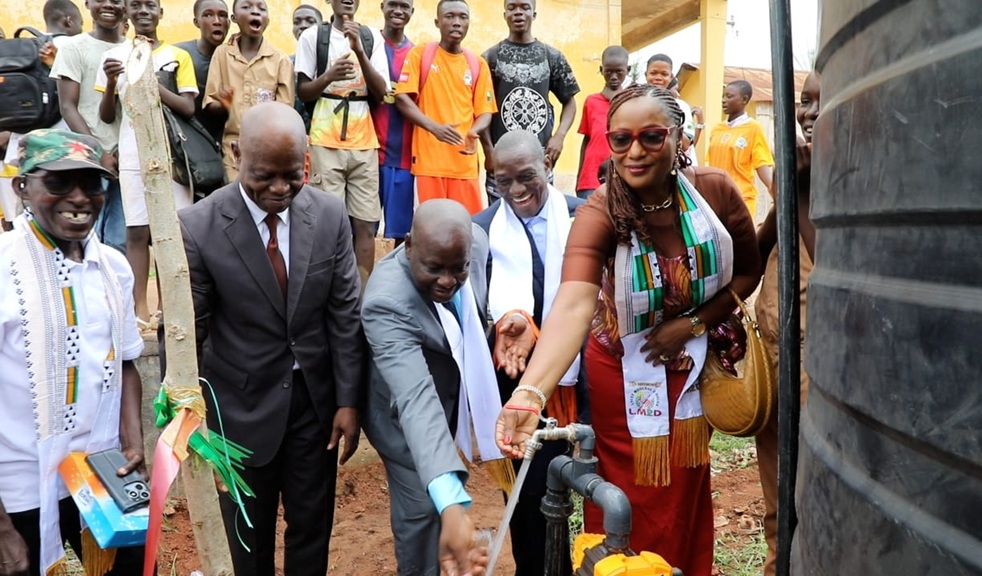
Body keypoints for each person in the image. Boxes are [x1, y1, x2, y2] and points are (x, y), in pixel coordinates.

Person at [495, 85, 762, 576]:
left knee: (683, 484)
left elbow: (748, 271)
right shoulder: (599, 213)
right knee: (622, 493)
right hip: (620, 374)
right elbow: (574, 305)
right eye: (620, 140)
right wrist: (530, 395)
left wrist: (691, 324)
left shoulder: (714, 192)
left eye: (651, 137)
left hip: (689, 366)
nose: (634, 152)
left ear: (679, 137)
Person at [179, 102, 363, 576]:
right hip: (236, 411)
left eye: (292, 175)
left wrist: (348, 402)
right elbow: (189, 329)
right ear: (237, 154)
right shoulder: (199, 227)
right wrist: (188, 412)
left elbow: (344, 315)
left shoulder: (327, 215)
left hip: (314, 409)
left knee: (311, 527)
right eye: (265, 176)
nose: (280, 189)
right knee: (246, 538)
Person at [0, 129, 145, 576]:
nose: (79, 198)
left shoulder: (113, 267)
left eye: (92, 183)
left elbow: (126, 362)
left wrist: (133, 439)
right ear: (22, 186)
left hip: (102, 477)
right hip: (22, 490)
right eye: (60, 183)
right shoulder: (4, 269)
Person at [362, 199, 506, 576]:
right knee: (423, 517)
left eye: (457, 269)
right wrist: (453, 507)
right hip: (401, 418)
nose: (447, 280)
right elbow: (415, 399)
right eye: (434, 269)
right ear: (408, 246)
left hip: (450, 395)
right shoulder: (386, 302)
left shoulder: (472, 240)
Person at [472, 130, 585, 576]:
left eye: (527, 176)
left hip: (584, 378)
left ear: (548, 167)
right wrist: (502, 324)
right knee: (529, 497)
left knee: (593, 486)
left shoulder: (582, 218)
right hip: (516, 383)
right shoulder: (480, 231)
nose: (516, 190)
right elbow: (471, 310)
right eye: (503, 181)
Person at [96, 0, 199, 334]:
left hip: (172, 154)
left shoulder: (177, 56)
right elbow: (108, 116)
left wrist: (152, 82)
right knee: (137, 229)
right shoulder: (113, 57)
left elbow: (187, 106)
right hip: (131, 150)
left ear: (160, 13)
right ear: (127, 13)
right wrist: (113, 83)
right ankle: (138, 308)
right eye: (136, 5)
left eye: (150, 5)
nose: (144, 11)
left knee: (174, 230)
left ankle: (167, 307)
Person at [754, 70, 820, 576]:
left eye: (822, 100)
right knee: (778, 494)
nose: (810, 112)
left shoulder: (848, 184)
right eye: (804, 101)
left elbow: (832, 272)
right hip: (777, 356)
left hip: (816, 364)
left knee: (812, 487)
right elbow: (756, 256)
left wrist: (798, 188)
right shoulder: (796, 176)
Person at [296, 0, 389, 284]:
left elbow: (382, 91)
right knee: (327, 222)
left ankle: (361, 295)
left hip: (363, 141)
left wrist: (360, 50)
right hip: (325, 140)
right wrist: (329, 76)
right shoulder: (313, 36)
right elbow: (304, 91)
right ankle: (329, 289)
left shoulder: (372, 37)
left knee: (365, 223)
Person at [395, 0, 497, 215]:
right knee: (431, 229)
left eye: (463, 17)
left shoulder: (477, 63)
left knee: (468, 229)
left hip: (465, 166)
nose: (457, 23)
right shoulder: (421, 54)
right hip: (429, 165)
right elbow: (402, 98)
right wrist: (435, 129)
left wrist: (474, 130)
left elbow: (485, 111)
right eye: (450, 16)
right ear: (437, 22)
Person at [480, 0, 580, 205]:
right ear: (504, 14)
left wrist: (560, 136)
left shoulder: (551, 56)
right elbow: (481, 109)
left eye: (525, 7)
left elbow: (569, 101)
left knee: (541, 222)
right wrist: (488, 150)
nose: (518, 13)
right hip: (502, 164)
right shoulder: (489, 58)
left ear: (534, 14)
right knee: (501, 224)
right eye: (512, 8)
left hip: (539, 162)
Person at [49, 0, 127, 254]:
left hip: (129, 160)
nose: (108, 5)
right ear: (87, 4)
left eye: (116, 1)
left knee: (120, 240)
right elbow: (68, 107)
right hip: (90, 159)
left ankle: (114, 293)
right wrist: (99, 153)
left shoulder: (134, 49)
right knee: (86, 236)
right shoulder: (74, 48)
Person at [204, 0, 294, 181]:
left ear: (267, 20)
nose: (255, 12)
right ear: (234, 18)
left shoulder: (280, 61)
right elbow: (210, 103)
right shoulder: (222, 54)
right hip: (233, 150)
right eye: (246, 7)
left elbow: (285, 113)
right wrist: (223, 104)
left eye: (262, 9)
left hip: (270, 149)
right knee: (236, 199)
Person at [372, 0, 416, 247]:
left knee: (400, 234)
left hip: (402, 156)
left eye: (404, 6)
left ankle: (396, 282)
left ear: (412, 11)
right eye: (392, 4)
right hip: (367, 153)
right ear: (382, 6)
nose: (398, 10)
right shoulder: (369, 45)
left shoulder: (416, 54)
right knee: (362, 227)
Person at [707, 79, 774, 219]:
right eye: (723, 96)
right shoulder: (717, 129)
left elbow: (761, 163)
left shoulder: (754, 128)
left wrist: (773, 188)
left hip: (740, 199)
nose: (724, 100)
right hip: (715, 200)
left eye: (729, 96)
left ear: (744, 99)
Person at [575, 45, 627, 199]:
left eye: (619, 72)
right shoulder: (591, 101)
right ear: (601, 69)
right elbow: (587, 139)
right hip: (590, 179)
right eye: (608, 71)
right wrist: (579, 177)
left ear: (628, 70)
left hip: (622, 177)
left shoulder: (632, 102)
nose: (613, 77)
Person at [175, 0, 231, 145]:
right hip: (189, 143)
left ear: (230, 22)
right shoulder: (179, 54)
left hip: (226, 144)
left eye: (223, 16)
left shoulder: (237, 59)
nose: (217, 21)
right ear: (196, 21)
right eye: (208, 15)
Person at [645, 54, 702, 166]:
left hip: (678, 169)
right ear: (646, 75)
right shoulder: (637, 104)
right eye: (653, 73)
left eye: (664, 74)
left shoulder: (681, 107)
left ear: (671, 77)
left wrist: (664, 116)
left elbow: (686, 145)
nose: (658, 77)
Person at [289, 4, 321, 133]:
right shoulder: (285, 63)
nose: (302, 25)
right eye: (297, 22)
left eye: (310, 21)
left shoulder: (334, 61)